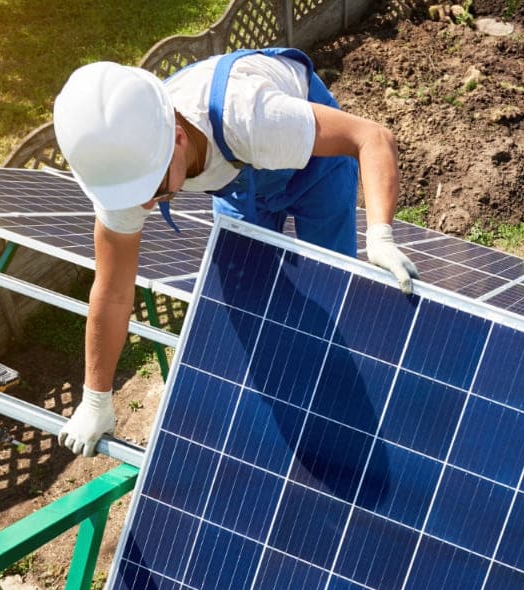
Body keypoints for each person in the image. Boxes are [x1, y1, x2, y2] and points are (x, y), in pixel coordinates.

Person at [51, 48, 418, 456]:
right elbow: (113, 290)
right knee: (245, 304)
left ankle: (335, 404)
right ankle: (277, 417)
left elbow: (371, 137)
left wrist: (380, 234)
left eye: (153, 191)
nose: (145, 207)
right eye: (132, 197)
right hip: (241, 181)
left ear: (177, 136)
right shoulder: (124, 168)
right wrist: (96, 397)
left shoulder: (253, 116)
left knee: (329, 286)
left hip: (316, 166)